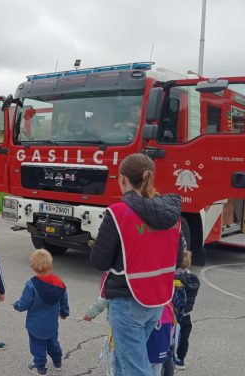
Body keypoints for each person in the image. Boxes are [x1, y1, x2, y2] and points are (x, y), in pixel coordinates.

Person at [90, 153, 185, 376]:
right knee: (124, 363)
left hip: (127, 300)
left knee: (135, 368)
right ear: (150, 178)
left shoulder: (118, 213)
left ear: (122, 179)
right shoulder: (172, 215)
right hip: (157, 300)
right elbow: (177, 259)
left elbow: (99, 261)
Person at [13, 249, 69, 375]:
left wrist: (17, 305)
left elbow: (24, 304)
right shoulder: (59, 283)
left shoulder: (31, 285)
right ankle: (57, 361)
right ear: (51, 265)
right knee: (53, 342)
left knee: (37, 346)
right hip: (52, 324)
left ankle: (40, 367)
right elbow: (64, 299)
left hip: (35, 324)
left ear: (33, 267)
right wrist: (64, 312)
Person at [174, 251, 200, 370]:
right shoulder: (194, 279)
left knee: (172, 336)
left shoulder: (174, 278)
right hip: (187, 314)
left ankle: (170, 357)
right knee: (184, 337)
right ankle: (181, 359)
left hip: (175, 314)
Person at [147, 304, 175, 376]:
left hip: (148, 352)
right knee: (158, 369)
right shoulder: (169, 306)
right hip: (162, 350)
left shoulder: (145, 308)